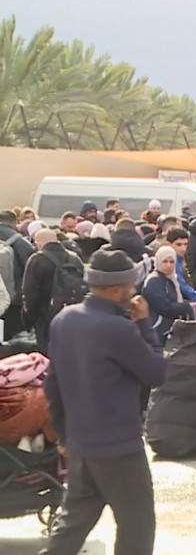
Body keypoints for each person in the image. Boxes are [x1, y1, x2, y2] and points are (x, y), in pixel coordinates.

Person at [41, 248, 167, 555]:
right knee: (136, 527)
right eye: (130, 286)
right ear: (115, 289)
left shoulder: (64, 319)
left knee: (73, 524)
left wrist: (63, 435)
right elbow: (156, 372)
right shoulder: (117, 328)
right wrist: (144, 324)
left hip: (81, 444)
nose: (133, 291)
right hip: (119, 447)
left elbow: (52, 384)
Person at [22, 229, 85, 353]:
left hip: (45, 318)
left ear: (39, 243)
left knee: (47, 354)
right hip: (72, 316)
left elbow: (30, 295)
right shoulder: (74, 258)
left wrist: (28, 322)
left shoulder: (36, 259)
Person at [141, 245, 194, 345]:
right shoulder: (154, 281)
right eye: (165, 261)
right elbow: (165, 307)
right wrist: (186, 306)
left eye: (171, 262)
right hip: (158, 330)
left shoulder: (171, 279)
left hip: (169, 330)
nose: (168, 265)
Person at [0, 209, 36, 339]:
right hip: (13, 299)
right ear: (15, 222)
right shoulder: (19, 241)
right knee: (10, 337)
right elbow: (31, 265)